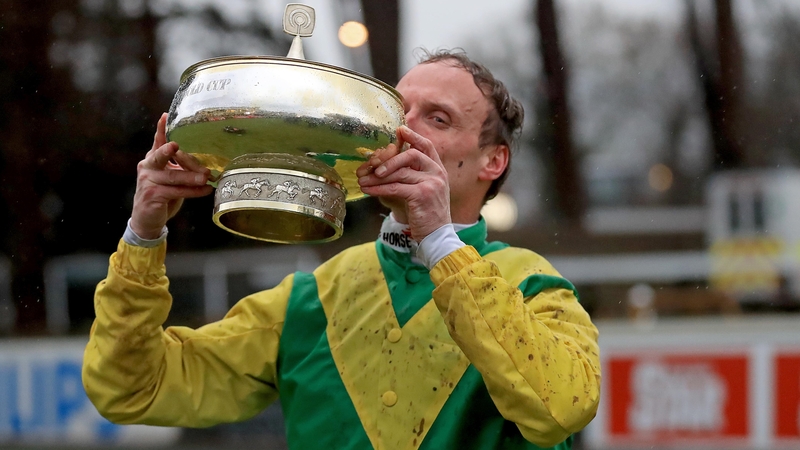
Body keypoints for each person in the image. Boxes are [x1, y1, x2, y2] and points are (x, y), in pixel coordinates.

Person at [82, 49, 600, 450]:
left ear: (493, 161)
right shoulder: (309, 299)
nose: (403, 131)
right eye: (397, 110)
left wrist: (440, 239)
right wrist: (143, 235)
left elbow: (559, 409)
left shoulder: (533, 285)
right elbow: (129, 389)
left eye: (437, 119)